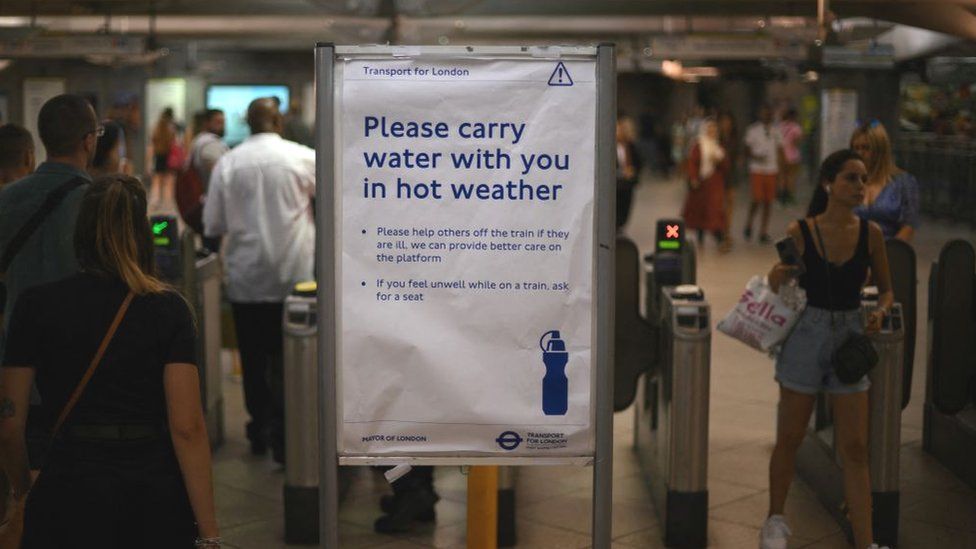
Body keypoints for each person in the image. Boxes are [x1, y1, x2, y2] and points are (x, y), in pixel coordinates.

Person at [0, 175, 220, 548]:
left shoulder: (35, 305)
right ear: (141, 233)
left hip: (68, 487)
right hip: (151, 492)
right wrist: (210, 534)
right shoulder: (168, 310)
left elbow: (8, 421)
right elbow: (187, 427)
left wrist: (24, 490)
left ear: (80, 232)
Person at [763, 149, 894, 549]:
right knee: (790, 436)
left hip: (850, 336)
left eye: (862, 179)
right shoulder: (801, 230)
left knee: (855, 446)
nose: (858, 187)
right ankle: (775, 520)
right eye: (850, 179)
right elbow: (776, 285)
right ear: (828, 185)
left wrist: (880, 313)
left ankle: (866, 540)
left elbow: (887, 290)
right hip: (807, 334)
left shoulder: (870, 235)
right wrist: (780, 272)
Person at [203, 98, 315, 463]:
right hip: (294, 279)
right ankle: (288, 432)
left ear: (247, 123)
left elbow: (214, 224)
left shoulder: (228, 163)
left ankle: (260, 428)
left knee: (252, 359)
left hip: (246, 280)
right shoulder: (302, 158)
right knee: (290, 359)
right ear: (278, 120)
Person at [0, 94, 97, 471]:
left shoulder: (6, 201)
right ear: (89, 141)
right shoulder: (98, 203)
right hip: (83, 370)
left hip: (15, 368)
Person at [849, 122, 920, 242]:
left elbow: (909, 226)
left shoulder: (904, 182)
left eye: (866, 148)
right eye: (856, 148)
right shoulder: (847, 181)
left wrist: (888, 253)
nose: (860, 153)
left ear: (880, 150)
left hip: (890, 251)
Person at [681, 119, 730, 250]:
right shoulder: (698, 145)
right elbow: (692, 163)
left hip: (715, 183)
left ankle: (720, 238)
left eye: (714, 130)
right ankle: (700, 236)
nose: (712, 132)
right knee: (700, 210)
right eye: (710, 129)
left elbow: (725, 166)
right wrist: (693, 178)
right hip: (701, 183)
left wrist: (719, 161)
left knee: (715, 210)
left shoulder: (718, 146)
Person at [743, 105, 783, 243]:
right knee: (757, 199)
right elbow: (747, 150)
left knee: (768, 201)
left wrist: (782, 171)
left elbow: (780, 150)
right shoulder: (753, 130)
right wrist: (756, 157)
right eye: (764, 113)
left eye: (769, 114)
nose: (767, 116)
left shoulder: (776, 131)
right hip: (757, 169)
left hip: (771, 169)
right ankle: (749, 223)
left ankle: (763, 231)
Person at [188, 109, 229, 187]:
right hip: (210, 194)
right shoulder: (210, 144)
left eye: (223, 122)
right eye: (218, 122)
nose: (222, 126)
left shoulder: (201, 139)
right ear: (206, 123)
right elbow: (220, 173)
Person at [150, 107, 180, 211]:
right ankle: (166, 202)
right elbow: (172, 140)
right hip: (167, 154)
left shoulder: (158, 125)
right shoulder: (170, 126)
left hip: (159, 154)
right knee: (167, 180)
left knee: (158, 178)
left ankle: (156, 201)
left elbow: (153, 139)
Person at [717, 111, 739, 249]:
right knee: (720, 205)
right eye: (723, 122)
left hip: (731, 174)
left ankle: (726, 232)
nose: (726, 125)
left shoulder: (734, 138)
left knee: (730, 203)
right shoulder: (717, 139)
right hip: (719, 175)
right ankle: (722, 232)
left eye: (728, 122)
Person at [615, 115, 641, 229]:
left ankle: (621, 227)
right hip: (615, 184)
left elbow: (639, 162)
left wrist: (633, 171)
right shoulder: (610, 147)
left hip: (627, 184)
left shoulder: (630, 146)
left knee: (625, 210)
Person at [778, 108, 804, 205]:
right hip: (793, 156)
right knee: (791, 177)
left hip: (781, 155)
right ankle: (790, 197)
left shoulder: (780, 126)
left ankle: (781, 197)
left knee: (782, 177)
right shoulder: (796, 127)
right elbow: (797, 142)